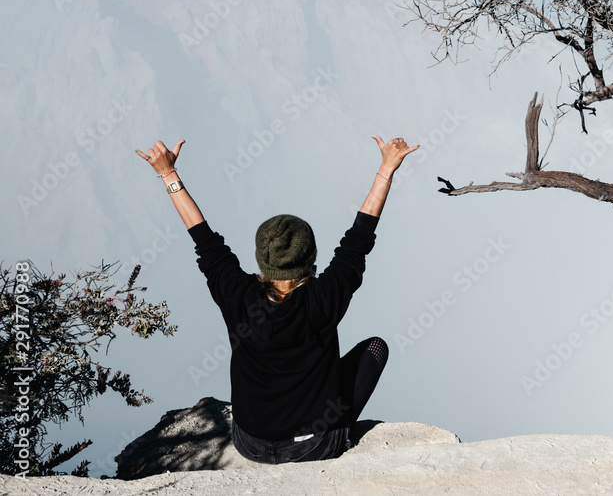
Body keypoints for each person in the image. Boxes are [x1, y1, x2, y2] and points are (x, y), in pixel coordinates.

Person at [135, 135, 418, 463]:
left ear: (260, 257)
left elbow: (204, 240)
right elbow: (358, 239)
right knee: (375, 347)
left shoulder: (237, 293)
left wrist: (168, 174)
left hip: (251, 443)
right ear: (311, 257)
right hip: (316, 445)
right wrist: (387, 169)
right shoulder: (326, 295)